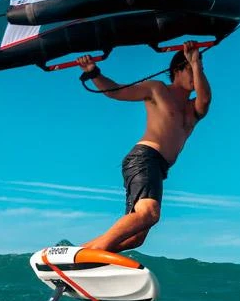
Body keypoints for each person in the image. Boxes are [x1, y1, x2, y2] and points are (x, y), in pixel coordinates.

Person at [77, 41, 210, 253]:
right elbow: (116, 91)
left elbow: (205, 99)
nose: (196, 75)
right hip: (144, 157)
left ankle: (77, 254)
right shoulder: (157, 89)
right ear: (177, 70)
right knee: (149, 213)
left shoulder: (193, 108)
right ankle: (90, 256)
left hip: (159, 167)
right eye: (191, 69)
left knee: (136, 238)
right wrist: (93, 72)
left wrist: (195, 63)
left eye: (200, 70)